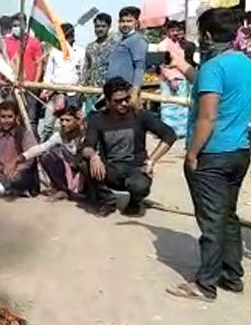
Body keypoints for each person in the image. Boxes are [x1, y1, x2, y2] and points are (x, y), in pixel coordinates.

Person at [165, 8, 251, 301]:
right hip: (239, 151)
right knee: (227, 215)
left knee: (211, 220)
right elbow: (211, 86)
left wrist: (192, 153)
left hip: (213, 153)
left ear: (206, 35)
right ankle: (232, 274)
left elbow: (208, 117)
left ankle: (205, 284)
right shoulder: (245, 63)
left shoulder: (213, 68)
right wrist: (182, 66)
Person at [81, 77, 176, 215]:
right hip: (110, 170)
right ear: (107, 101)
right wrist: (93, 156)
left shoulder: (140, 115)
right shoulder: (97, 120)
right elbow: (86, 146)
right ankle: (107, 199)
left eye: (126, 99)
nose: (124, 104)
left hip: (135, 170)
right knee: (84, 163)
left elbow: (169, 135)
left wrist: (151, 160)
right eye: (118, 101)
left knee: (140, 186)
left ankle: (134, 202)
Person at [21, 105, 86, 200]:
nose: (63, 124)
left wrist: (81, 126)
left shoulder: (84, 135)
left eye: (68, 120)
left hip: (82, 171)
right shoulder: (59, 136)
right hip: (68, 170)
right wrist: (22, 156)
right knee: (46, 156)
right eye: (62, 120)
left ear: (77, 121)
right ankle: (62, 189)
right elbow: (42, 147)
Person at [41, 22, 85, 140]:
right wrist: (45, 90)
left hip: (72, 93)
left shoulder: (80, 52)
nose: (66, 39)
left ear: (72, 36)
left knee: (73, 125)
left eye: (68, 36)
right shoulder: (54, 52)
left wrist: (80, 92)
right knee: (48, 125)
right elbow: (49, 73)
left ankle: (72, 148)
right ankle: (45, 147)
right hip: (54, 92)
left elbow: (82, 73)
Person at [107, 6, 148, 109]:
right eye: (122, 21)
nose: (125, 24)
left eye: (129, 21)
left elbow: (139, 67)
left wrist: (134, 92)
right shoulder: (120, 41)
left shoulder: (138, 40)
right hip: (114, 91)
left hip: (126, 93)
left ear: (136, 23)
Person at [158, 20, 190, 137]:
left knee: (182, 105)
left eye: (177, 30)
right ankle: (169, 132)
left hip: (182, 78)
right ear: (167, 31)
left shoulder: (179, 44)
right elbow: (162, 64)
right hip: (169, 80)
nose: (175, 33)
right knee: (169, 105)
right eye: (172, 30)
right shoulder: (163, 45)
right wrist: (171, 78)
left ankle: (181, 131)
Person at [81, 12, 117, 113]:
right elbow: (86, 68)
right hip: (91, 93)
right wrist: (82, 89)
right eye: (97, 26)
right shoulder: (90, 47)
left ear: (109, 27)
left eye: (103, 26)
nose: (100, 29)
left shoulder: (115, 46)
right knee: (91, 119)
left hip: (109, 92)